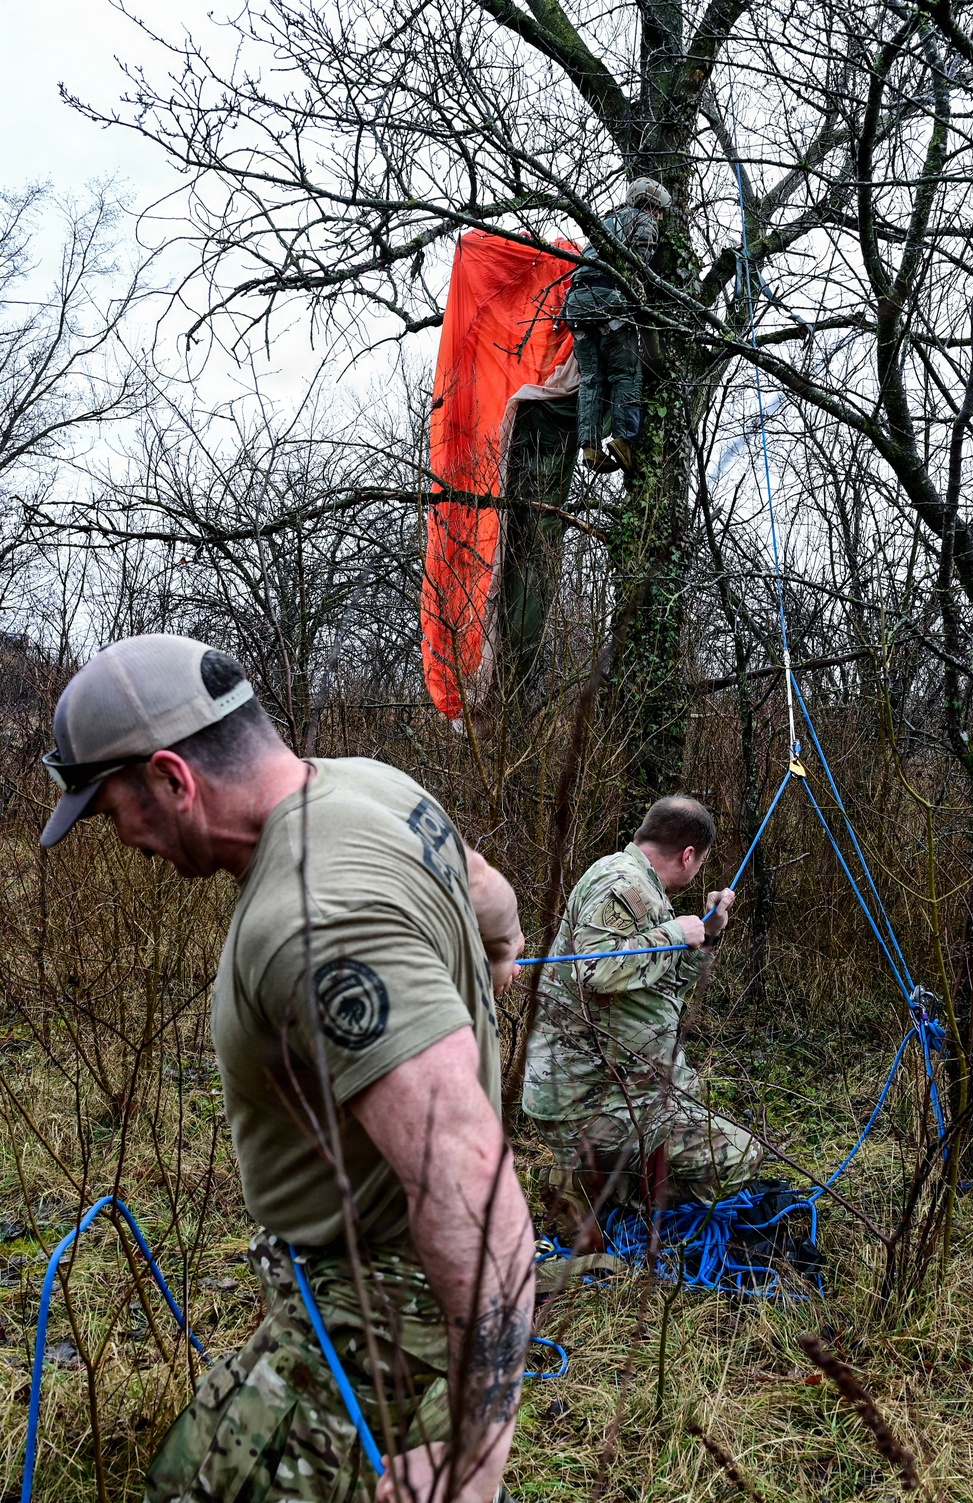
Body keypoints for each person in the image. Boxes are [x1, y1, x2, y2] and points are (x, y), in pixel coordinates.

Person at [40, 633, 535, 1503]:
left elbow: (470, 1182)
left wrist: (476, 1452)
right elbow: (483, 882)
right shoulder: (368, 782)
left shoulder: (314, 923)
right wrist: (501, 944)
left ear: (172, 778)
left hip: (381, 1311)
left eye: (111, 811)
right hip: (359, 1288)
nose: (120, 839)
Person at [522, 795, 763, 1249]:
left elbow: (662, 984)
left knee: (699, 1107)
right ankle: (584, 1183)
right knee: (738, 1157)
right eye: (701, 861)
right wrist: (674, 933)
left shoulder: (643, 888)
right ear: (688, 855)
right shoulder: (621, 883)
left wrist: (707, 935)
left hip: (622, 1088)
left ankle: (596, 1179)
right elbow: (597, 969)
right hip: (586, 1102)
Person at [561, 177, 672, 474]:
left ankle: (589, 446)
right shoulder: (643, 221)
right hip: (608, 298)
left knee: (591, 379)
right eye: (660, 211)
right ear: (652, 206)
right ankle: (624, 439)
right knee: (626, 372)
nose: (661, 217)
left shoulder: (605, 223)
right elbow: (637, 265)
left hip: (576, 304)